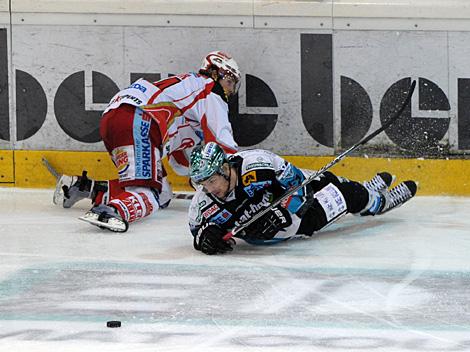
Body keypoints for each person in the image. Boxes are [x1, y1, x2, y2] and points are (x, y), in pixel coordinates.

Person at [54, 51, 241, 232]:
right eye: (230, 81)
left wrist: (201, 180)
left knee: (163, 195)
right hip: (140, 122)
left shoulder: (189, 92)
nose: (231, 90)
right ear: (215, 73)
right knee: (149, 196)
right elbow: (224, 145)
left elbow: (180, 162)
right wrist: (240, 180)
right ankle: (111, 211)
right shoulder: (210, 89)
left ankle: (86, 187)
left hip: (117, 118)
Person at [188, 142, 418, 255]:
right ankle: (377, 204)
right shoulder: (202, 204)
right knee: (346, 194)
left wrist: (283, 210)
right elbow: (198, 231)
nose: (209, 189)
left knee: (329, 179)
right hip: (295, 224)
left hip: (289, 202)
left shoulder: (258, 164)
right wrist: (205, 238)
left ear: (225, 169)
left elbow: (298, 184)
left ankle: (368, 194)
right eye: (202, 184)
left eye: (211, 181)